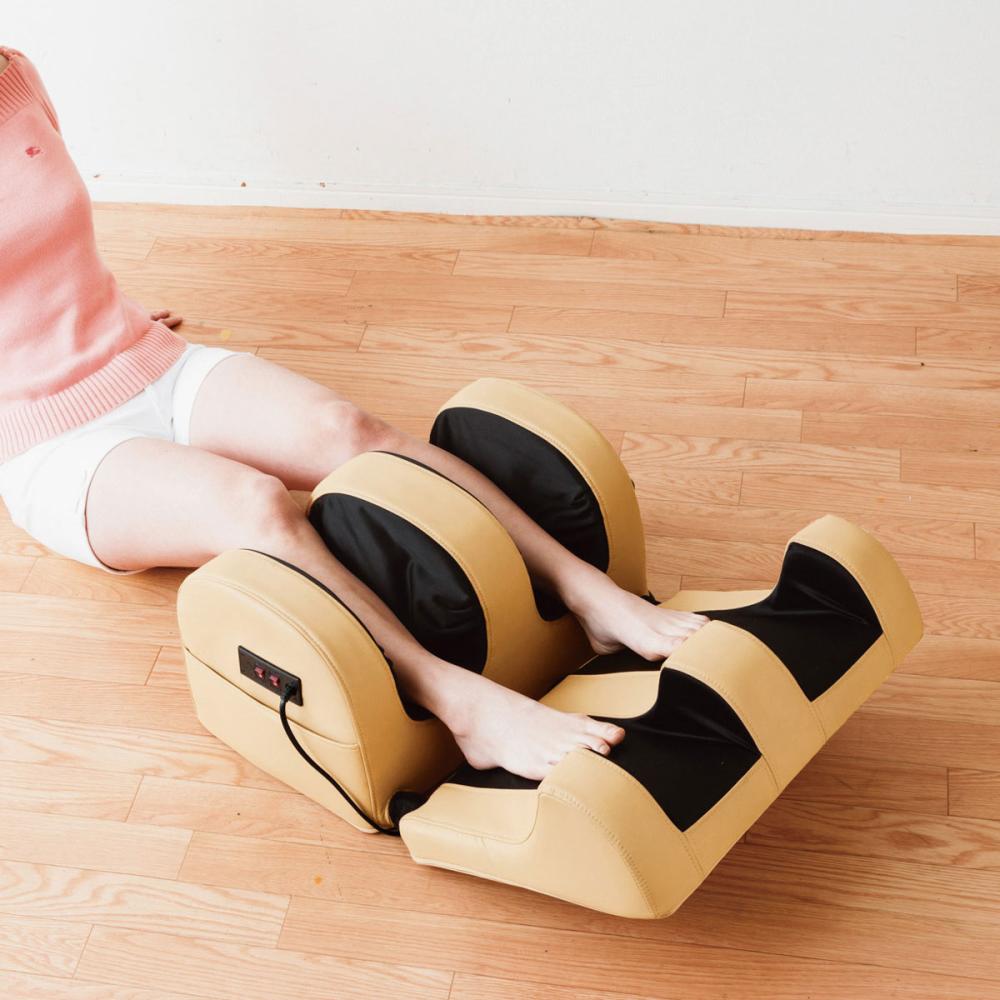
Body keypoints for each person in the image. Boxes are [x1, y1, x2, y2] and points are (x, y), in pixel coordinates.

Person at [0, 46, 708, 780]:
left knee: (349, 431)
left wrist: (94, 318)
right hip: (49, 443)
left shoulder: (13, 72)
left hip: (145, 358)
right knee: (253, 505)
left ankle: (587, 592)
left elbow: (39, 226)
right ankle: (463, 707)